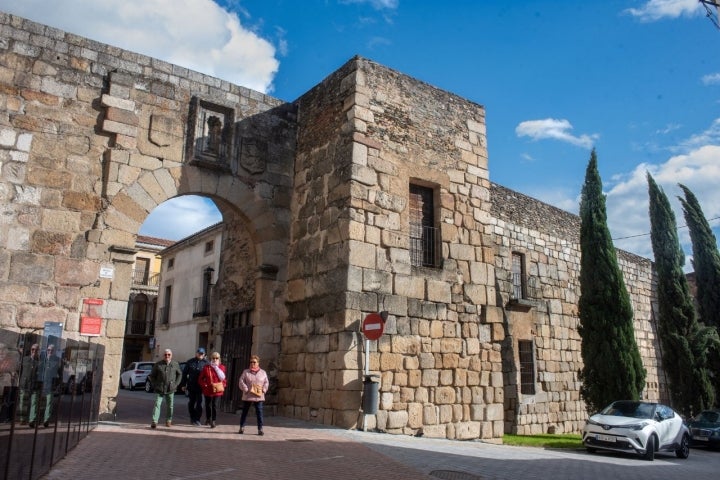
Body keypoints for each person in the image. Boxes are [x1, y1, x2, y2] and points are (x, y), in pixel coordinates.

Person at [147, 348, 182, 429]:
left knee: (170, 406)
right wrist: (155, 384)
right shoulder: (158, 364)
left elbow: (180, 374)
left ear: (171, 355)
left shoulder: (175, 364)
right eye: (165, 354)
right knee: (157, 404)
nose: (167, 356)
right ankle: (154, 421)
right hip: (160, 388)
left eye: (169, 354)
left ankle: (168, 420)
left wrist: (176, 384)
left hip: (170, 388)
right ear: (163, 355)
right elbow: (152, 376)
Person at [238, 354, 269, 435]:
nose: (252, 364)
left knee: (259, 412)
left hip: (259, 396)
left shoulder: (263, 372)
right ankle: (242, 427)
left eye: (254, 362)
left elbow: (266, 382)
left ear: (258, 363)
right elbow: (241, 381)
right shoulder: (246, 372)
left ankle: (260, 428)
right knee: (244, 412)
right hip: (248, 395)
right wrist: (245, 388)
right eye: (251, 362)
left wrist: (264, 389)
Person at [180, 347, 208, 426]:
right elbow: (184, 374)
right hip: (191, 386)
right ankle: (192, 418)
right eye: (199, 353)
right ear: (196, 353)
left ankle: (197, 419)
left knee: (200, 404)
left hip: (201, 387)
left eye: (202, 354)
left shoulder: (206, 363)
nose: (200, 355)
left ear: (204, 354)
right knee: (191, 403)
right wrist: (183, 384)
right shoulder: (190, 362)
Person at [198, 352, 226, 428]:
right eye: (213, 358)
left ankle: (213, 420)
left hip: (217, 390)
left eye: (216, 358)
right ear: (211, 359)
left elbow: (223, 379)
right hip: (208, 390)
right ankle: (208, 418)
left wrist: (223, 385)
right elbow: (200, 379)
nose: (215, 359)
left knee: (214, 405)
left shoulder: (222, 367)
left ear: (219, 359)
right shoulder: (206, 367)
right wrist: (204, 385)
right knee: (208, 405)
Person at [36, 343, 61, 427]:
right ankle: (37, 419)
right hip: (41, 384)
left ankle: (46, 420)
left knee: (49, 403)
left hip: (50, 384)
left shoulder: (57, 360)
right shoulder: (42, 359)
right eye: (48, 350)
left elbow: (60, 373)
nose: (50, 352)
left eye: (52, 350)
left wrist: (56, 384)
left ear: (54, 352)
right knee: (39, 402)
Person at [17, 343, 39, 426]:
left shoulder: (38, 362)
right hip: (24, 384)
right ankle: (22, 419)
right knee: (23, 402)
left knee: (33, 403)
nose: (34, 351)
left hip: (34, 385)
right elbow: (19, 370)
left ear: (38, 351)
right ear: (30, 350)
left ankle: (31, 420)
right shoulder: (25, 359)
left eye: (36, 350)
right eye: (32, 349)